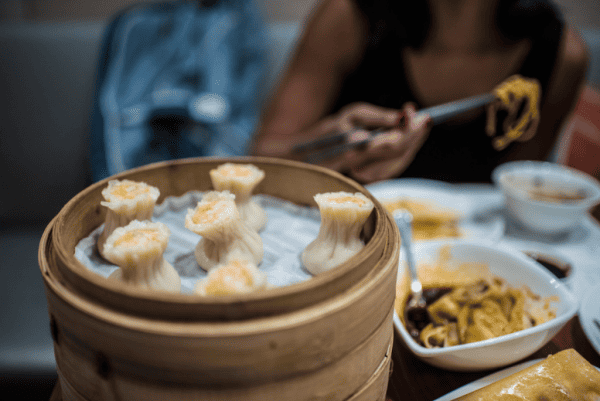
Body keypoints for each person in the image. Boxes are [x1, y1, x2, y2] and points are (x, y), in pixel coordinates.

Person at [249, 0, 589, 184]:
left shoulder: (562, 55)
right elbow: (256, 161)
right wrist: (334, 150)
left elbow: (516, 188)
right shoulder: (348, 16)